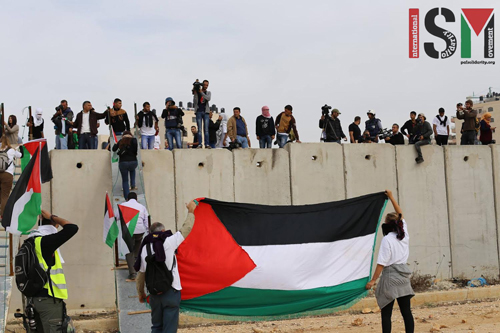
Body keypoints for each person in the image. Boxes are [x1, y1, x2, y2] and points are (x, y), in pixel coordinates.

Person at [136, 200, 197, 333]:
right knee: (169, 329)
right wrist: (191, 211)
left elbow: (141, 275)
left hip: (154, 295)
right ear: (163, 231)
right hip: (171, 292)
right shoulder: (168, 242)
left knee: (156, 327)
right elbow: (186, 229)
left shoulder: (144, 248)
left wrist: (141, 293)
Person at [365, 190, 414, 333]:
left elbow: (382, 262)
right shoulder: (404, 234)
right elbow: (401, 214)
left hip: (390, 277)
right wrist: (391, 197)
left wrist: (373, 280)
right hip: (403, 276)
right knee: (406, 312)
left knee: (386, 313)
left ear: (387, 224)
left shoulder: (387, 239)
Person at [29, 210, 79, 333]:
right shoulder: (45, 242)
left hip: (34, 299)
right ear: (55, 225)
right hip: (49, 299)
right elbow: (72, 228)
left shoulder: (30, 241)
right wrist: (53, 217)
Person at [117, 192, 148, 280]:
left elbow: (116, 217)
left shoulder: (122, 205)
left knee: (129, 250)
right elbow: (146, 221)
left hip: (128, 231)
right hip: (140, 231)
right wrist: (149, 232)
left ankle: (133, 273)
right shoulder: (142, 207)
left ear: (127, 199)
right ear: (137, 199)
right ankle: (137, 267)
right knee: (137, 249)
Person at [0, 136, 22, 216]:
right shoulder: (11, 150)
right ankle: (3, 215)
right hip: (7, 174)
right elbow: (21, 155)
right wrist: (21, 146)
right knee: (4, 195)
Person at [112, 131, 138, 199]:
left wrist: (115, 144)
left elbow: (113, 149)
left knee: (125, 180)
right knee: (132, 169)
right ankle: (133, 184)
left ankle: (127, 197)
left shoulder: (121, 141)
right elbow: (136, 151)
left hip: (123, 162)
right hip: (133, 161)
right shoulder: (134, 140)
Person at [192, 80, 211, 148]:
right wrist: (195, 90)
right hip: (198, 111)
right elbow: (194, 101)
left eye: (207, 85)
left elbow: (208, 98)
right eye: (204, 85)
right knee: (199, 129)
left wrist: (201, 92)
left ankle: (207, 144)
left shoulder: (208, 92)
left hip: (206, 112)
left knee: (206, 129)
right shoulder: (197, 92)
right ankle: (200, 144)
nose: (206, 86)